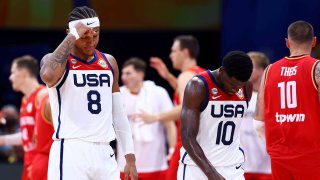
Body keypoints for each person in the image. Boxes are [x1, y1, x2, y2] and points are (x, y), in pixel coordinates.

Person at [39, 6, 137, 180]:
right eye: (85, 36)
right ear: (71, 33)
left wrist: (130, 157)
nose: (91, 41)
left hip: (105, 150)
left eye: (96, 34)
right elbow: (47, 75)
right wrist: (73, 35)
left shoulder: (109, 62)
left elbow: (118, 113)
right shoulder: (55, 61)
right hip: (71, 150)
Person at [255, 20, 320, 179]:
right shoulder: (316, 68)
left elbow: (258, 119)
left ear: (287, 42)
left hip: (279, 156)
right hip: (311, 155)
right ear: (314, 42)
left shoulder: (269, 71)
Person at [136, 35, 206, 180]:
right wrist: (168, 76)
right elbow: (192, 97)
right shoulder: (203, 74)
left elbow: (185, 108)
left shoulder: (185, 76)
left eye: (174, 51)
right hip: (203, 143)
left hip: (187, 143)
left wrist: (155, 117)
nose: (170, 55)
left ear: (185, 52)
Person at [178, 51, 253, 180]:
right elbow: (187, 136)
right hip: (197, 168)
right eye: (233, 85)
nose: (236, 90)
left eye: (240, 86)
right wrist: (212, 174)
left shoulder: (246, 87)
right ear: (222, 71)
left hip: (232, 167)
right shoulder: (198, 86)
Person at [117, 57, 176, 180]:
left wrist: (172, 150)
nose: (123, 77)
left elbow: (169, 124)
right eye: (122, 73)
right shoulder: (118, 95)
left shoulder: (159, 93)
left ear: (140, 74)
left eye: (128, 73)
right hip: (125, 165)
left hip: (155, 164)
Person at [0, 55, 49, 180]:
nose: (10, 77)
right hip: (29, 163)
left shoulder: (43, 95)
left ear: (23, 73)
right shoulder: (25, 100)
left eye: (13, 72)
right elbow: (27, 136)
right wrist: (3, 140)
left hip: (44, 163)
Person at [239, 52, 271, 180]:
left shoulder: (272, 97)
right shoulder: (237, 97)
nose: (244, 71)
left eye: (249, 67)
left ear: (260, 70)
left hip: (266, 167)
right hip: (241, 167)